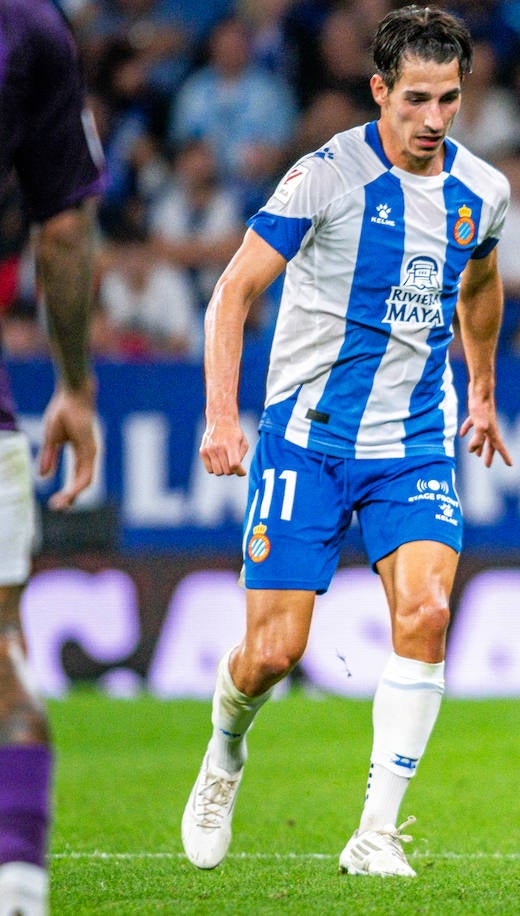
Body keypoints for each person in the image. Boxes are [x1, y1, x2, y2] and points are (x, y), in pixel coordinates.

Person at [181, 6, 512, 878]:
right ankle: (224, 753)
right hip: (306, 442)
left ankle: (375, 833)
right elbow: (232, 294)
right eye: (415, 100)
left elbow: (480, 284)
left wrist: (481, 390)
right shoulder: (322, 178)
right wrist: (223, 415)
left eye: (448, 99)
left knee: (429, 612)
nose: (434, 120)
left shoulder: (483, 191)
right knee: (273, 654)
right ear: (379, 91)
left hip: (414, 441)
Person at [0, 2, 105, 913]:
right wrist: (74, 386)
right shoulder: (31, 28)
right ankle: (21, 886)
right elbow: (63, 232)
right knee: (2, 670)